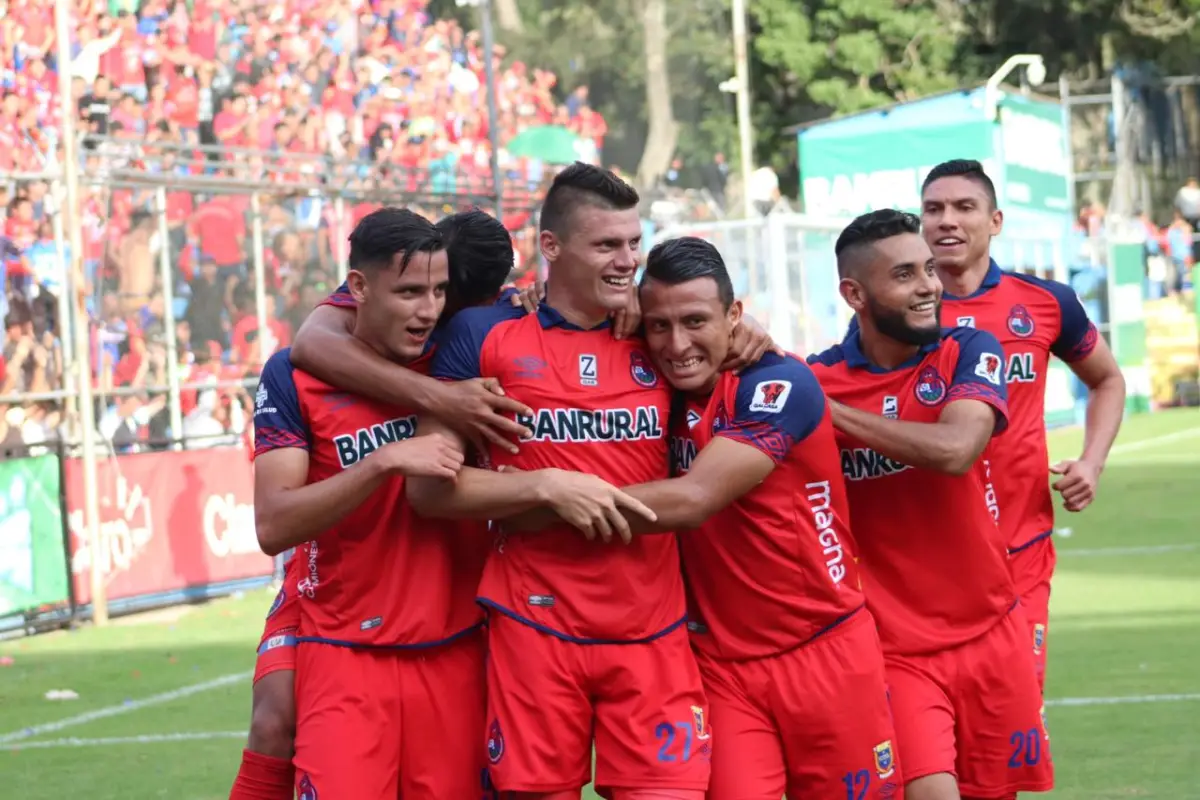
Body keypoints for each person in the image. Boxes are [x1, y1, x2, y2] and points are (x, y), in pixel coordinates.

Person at [406, 165, 730, 799]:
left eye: (634, 243)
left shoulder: (660, 334)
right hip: (534, 629)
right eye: (607, 246)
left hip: (652, 631)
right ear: (550, 248)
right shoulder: (485, 332)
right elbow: (428, 487)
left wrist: (744, 335)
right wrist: (545, 486)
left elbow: (729, 341)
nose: (627, 261)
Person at [229, 208, 532, 800]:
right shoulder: (298, 373)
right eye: (411, 292)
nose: (428, 309)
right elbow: (273, 524)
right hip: (343, 645)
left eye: (440, 292)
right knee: (272, 719)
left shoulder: (470, 353)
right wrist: (382, 462)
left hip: (455, 645)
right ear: (358, 289)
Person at [609, 236, 903, 799]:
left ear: (735, 315)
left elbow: (696, 498)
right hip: (721, 669)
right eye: (659, 326)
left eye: (696, 321)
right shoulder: (653, 391)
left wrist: (554, 497)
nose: (677, 345)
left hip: (827, 650)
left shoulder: (780, 384)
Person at [810, 209, 1053, 800]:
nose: (928, 286)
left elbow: (956, 449)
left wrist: (826, 413)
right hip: (895, 649)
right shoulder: (814, 378)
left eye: (927, 269)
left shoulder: (969, 348)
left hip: (994, 632)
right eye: (905, 275)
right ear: (855, 294)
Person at [919, 159, 1125, 690]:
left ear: (995, 221)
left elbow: (1107, 380)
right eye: (934, 209)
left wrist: (1092, 462)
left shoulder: (1044, 303)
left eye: (965, 208)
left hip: (1020, 545)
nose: (947, 221)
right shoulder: (896, 314)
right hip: (926, 556)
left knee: (1011, 715)